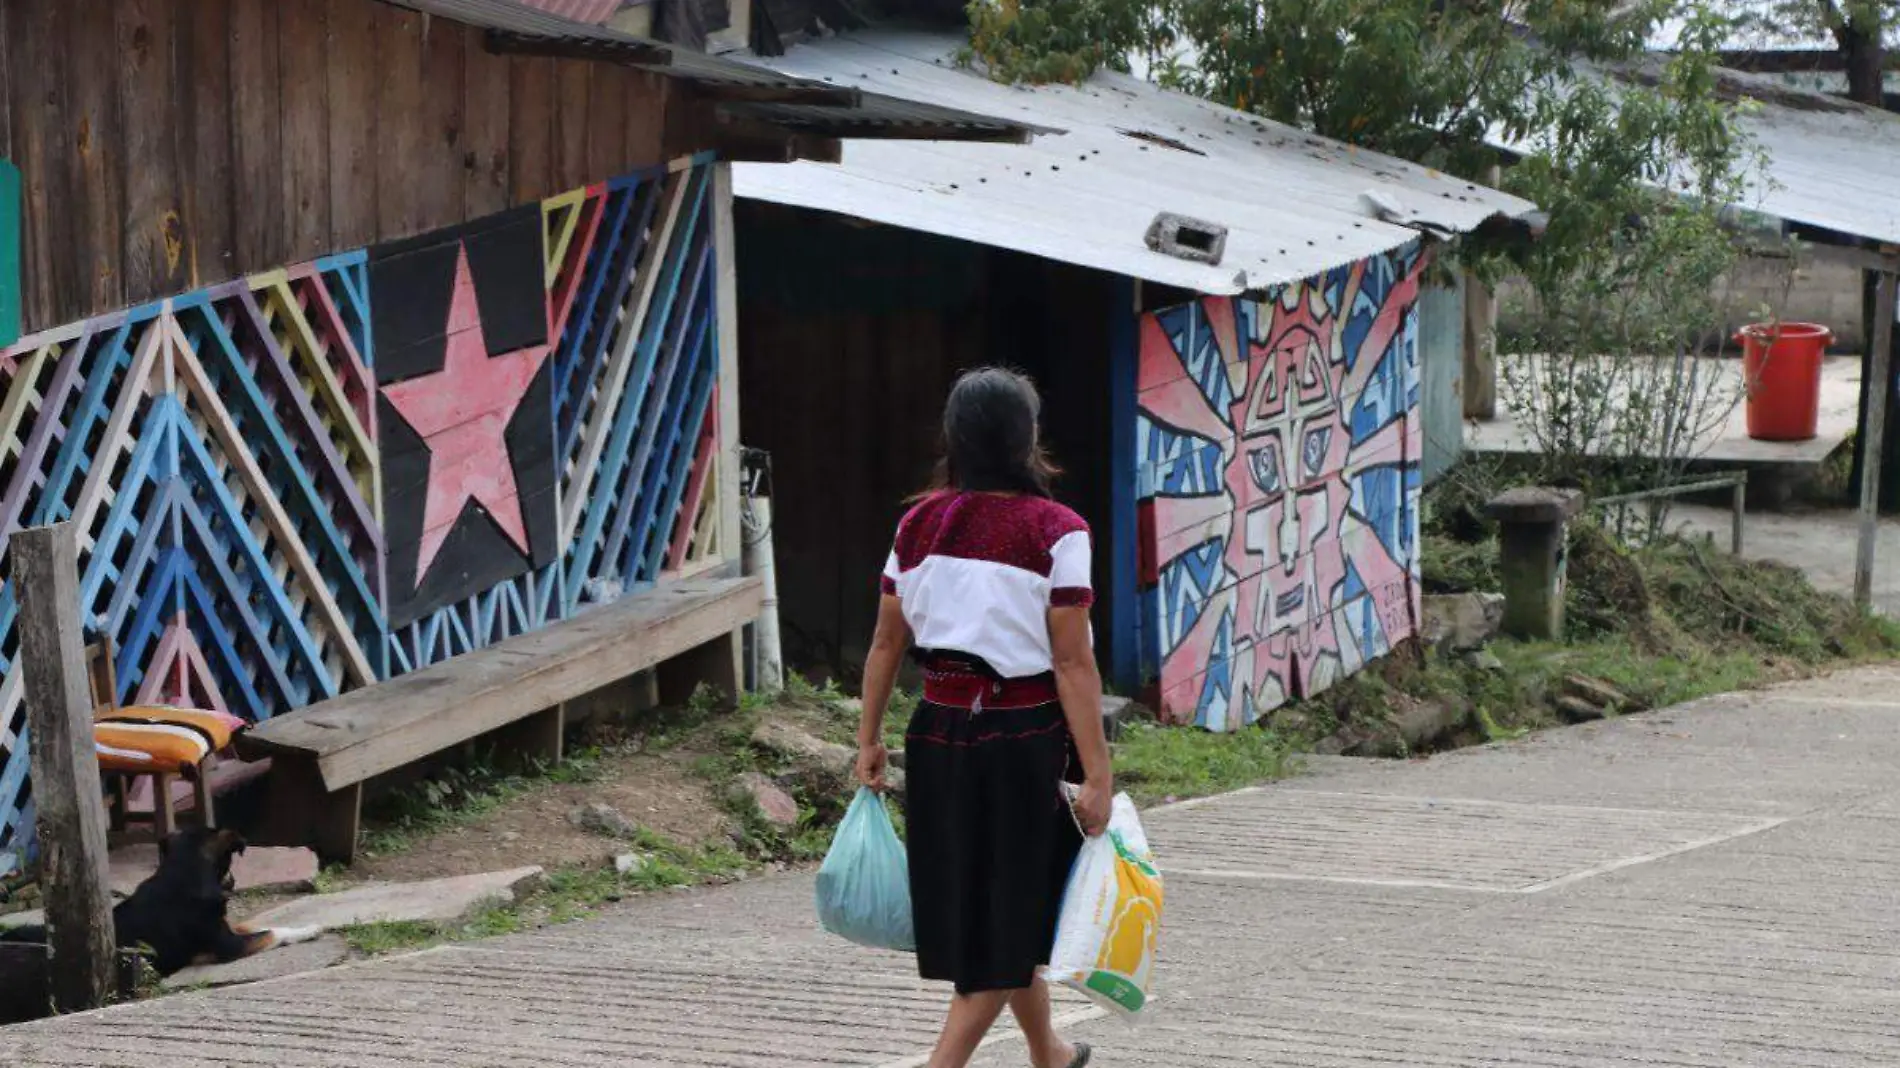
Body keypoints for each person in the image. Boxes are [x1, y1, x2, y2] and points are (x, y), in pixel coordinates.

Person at [855, 367, 1115, 1068]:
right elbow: (1071, 665)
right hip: (1021, 739)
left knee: (1000, 906)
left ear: (955, 438)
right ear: (1028, 440)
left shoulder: (916, 526)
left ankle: (1049, 1052)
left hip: (937, 734)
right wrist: (1098, 772)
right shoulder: (1058, 531)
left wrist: (870, 738)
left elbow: (886, 642)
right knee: (1011, 913)